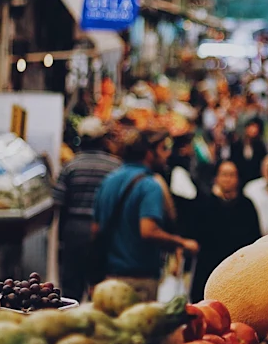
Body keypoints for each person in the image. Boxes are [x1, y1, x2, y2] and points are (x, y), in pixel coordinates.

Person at [92, 129, 199, 301]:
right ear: (149, 153)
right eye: (163, 148)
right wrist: (182, 243)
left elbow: (95, 229)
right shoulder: (150, 185)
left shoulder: (109, 180)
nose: (168, 154)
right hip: (139, 281)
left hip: (109, 279)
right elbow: (148, 231)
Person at [53, 117, 121, 302]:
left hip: (74, 230)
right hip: (104, 232)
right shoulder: (114, 167)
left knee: (70, 289)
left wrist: (60, 239)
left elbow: (59, 204)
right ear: (102, 140)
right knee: (100, 288)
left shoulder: (70, 166)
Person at [185, 161, 261, 301]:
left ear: (238, 179)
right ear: (216, 178)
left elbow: (254, 239)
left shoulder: (247, 205)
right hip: (207, 267)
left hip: (237, 269)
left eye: (232, 175)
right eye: (224, 175)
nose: (228, 179)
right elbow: (194, 233)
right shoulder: (205, 203)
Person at [232, 118, 268, 184]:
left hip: (256, 179)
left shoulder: (260, 146)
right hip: (240, 178)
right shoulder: (236, 145)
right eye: (251, 127)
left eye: (256, 128)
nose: (254, 131)